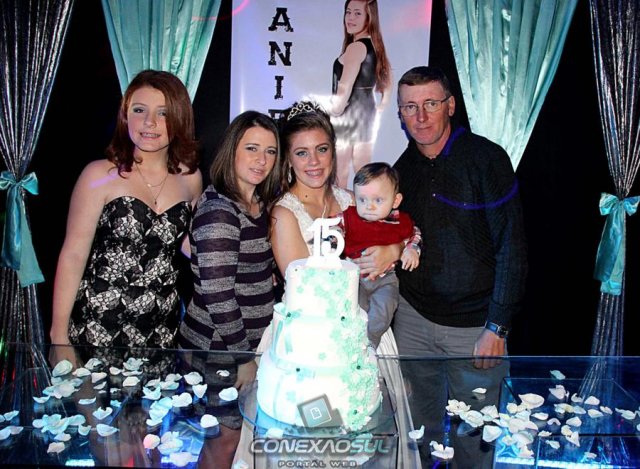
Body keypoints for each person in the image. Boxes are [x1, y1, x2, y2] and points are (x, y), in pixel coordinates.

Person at [231, 101, 420, 468]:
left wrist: (395, 249)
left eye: (321, 149)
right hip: (311, 349)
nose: (314, 161)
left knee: (363, 439)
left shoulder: (353, 200)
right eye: (301, 152)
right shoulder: (284, 213)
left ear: (334, 151)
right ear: (288, 159)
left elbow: (399, 232)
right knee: (313, 448)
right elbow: (307, 288)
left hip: (369, 328)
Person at [392, 66, 528, 467]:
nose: (420, 116)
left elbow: (512, 248)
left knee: (475, 439)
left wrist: (497, 326)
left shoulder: (486, 159)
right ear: (400, 114)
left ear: (450, 105)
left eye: (431, 104)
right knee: (418, 435)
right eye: (410, 107)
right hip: (413, 324)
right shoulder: (400, 170)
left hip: (475, 329)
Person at [50, 69, 202, 348]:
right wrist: (58, 337)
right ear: (125, 115)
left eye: (163, 113)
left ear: (180, 118)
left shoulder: (190, 177)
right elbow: (73, 256)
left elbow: (189, 245)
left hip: (161, 330)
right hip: (97, 325)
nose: (149, 122)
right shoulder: (98, 175)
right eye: (139, 110)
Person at [177, 110, 281, 468]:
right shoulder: (220, 210)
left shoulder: (255, 203)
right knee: (224, 440)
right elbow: (218, 296)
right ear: (232, 150)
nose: (261, 160)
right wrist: (244, 357)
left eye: (270, 151)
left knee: (227, 439)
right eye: (252, 148)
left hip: (235, 346)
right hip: (218, 349)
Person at [339, 161, 421, 348]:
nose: (369, 207)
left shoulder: (401, 222)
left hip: (386, 279)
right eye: (362, 200)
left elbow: (415, 235)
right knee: (354, 311)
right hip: (356, 279)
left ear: (395, 201)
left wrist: (411, 249)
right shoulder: (349, 217)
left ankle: (369, 344)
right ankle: (352, 343)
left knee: (383, 312)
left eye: (378, 200)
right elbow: (332, 228)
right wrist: (332, 237)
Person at [330, 0, 392, 188]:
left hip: (349, 114)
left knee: (340, 174)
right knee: (363, 171)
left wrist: (332, 112)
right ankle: (369, 204)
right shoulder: (374, 46)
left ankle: (345, 208)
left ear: (369, 17)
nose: (350, 18)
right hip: (366, 110)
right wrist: (382, 104)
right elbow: (387, 80)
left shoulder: (356, 47)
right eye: (348, 12)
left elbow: (344, 87)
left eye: (357, 13)